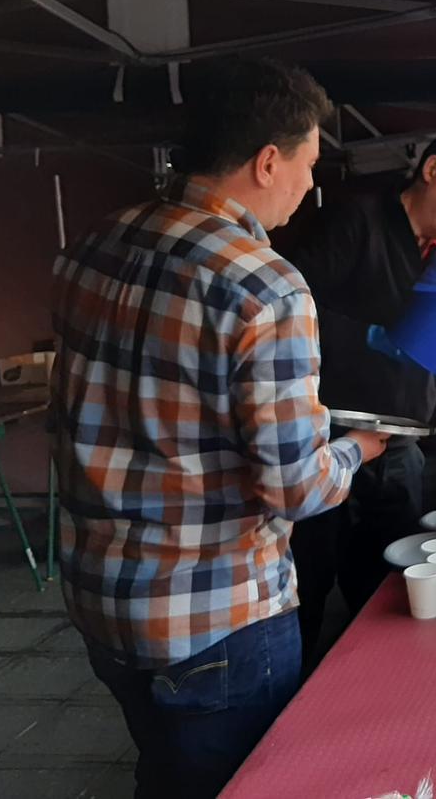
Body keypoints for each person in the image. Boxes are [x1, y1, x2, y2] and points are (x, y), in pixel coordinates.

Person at [49, 58, 390, 798]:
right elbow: (294, 486)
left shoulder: (93, 245)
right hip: (216, 621)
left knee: (164, 774)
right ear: (269, 161)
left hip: (102, 602)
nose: (307, 187)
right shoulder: (266, 284)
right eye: (306, 166)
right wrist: (356, 449)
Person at [287, 134, 436, 657]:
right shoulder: (356, 221)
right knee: (308, 581)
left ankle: (375, 687)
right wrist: (365, 336)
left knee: (390, 584)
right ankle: (292, 701)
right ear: (431, 170)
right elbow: (290, 304)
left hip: (402, 439)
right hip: (331, 432)